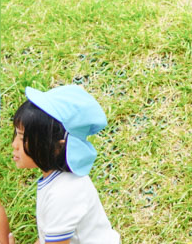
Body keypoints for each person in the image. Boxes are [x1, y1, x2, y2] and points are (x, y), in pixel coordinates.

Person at [10, 85, 120, 244]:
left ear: (57, 146)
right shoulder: (58, 181)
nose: (14, 145)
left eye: (22, 138)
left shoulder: (64, 193)